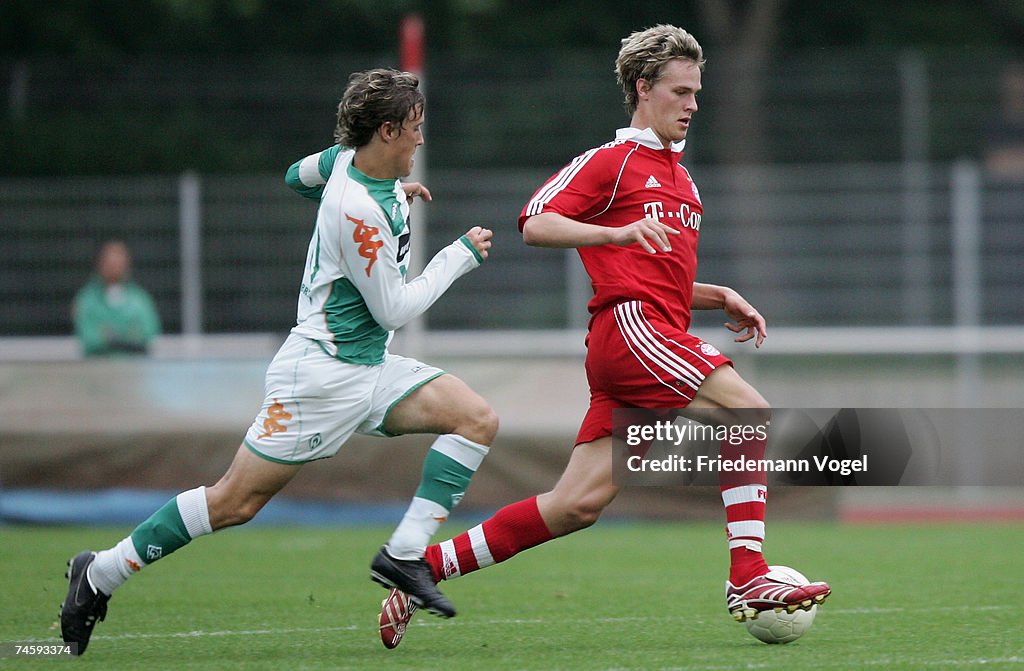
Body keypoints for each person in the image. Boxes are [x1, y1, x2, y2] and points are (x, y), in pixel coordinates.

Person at [377, 24, 830, 649]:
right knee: (748, 412)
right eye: (680, 91)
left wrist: (715, 294)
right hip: (630, 331)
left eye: (697, 91)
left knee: (575, 504)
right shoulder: (610, 163)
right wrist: (610, 234)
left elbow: (658, 270)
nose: (693, 103)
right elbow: (536, 222)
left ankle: (419, 571)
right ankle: (747, 576)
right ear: (643, 89)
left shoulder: (684, 181)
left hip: (653, 332)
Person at [60, 68, 496, 655]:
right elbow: (394, 308)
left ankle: (403, 555)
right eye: (415, 129)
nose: (422, 139)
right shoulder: (358, 209)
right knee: (233, 502)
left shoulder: (346, 162)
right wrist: (458, 256)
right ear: (388, 130)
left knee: (476, 419)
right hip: (319, 378)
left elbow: (296, 175)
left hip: (366, 368)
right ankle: (101, 573)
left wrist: (397, 189)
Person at [72, 239, 161, 356]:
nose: (115, 267)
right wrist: (127, 337)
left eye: (119, 263)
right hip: (98, 370)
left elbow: (148, 334)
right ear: (100, 264)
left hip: (133, 369)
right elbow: (89, 337)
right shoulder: (87, 300)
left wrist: (112, 338)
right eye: (110, 263)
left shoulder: (140, 299)